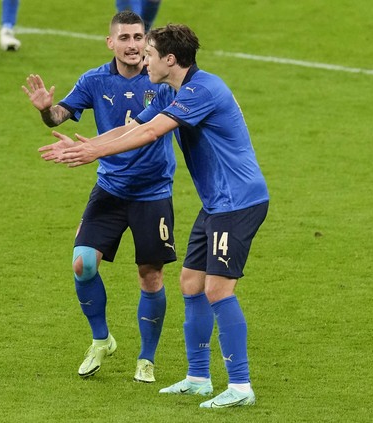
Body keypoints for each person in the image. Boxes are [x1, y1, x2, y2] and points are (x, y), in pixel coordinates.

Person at [40, 23, 269, 409]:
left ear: (170, 59)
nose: (142, 58)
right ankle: (198, 377)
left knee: (216, 289)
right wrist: (84, 145)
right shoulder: (172, 89)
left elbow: (151, 134)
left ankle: (241, 385)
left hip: (238, 203)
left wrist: (94, 154)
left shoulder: (202, 90)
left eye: (148, 53)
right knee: (191, 283)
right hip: (216, 203)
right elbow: (134, 127)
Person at [22, 11, 177, 383]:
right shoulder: (94, 80)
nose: (132, 45)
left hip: (153, 191)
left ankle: (147, 358)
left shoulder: (162, 81)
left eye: (139, 38)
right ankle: (101, 339)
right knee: (82, 264)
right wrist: (45, 109)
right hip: (109, 188)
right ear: (111, 43)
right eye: (124, 38)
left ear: (147, 42)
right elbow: (60, 116)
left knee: (150, 275)